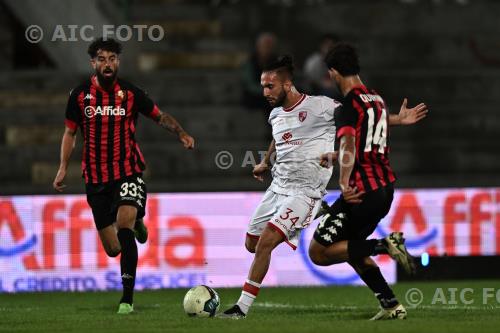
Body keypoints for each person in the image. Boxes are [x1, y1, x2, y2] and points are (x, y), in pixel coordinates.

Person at [52, 37, 195, 314]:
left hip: (128, 170)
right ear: (93, 63)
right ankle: (140, 222)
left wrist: (181, 133)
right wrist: (61, 167)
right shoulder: (79, 96)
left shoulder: (130, 93)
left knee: (125, 227)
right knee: (113, 249)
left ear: (118, 62)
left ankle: (127, 299)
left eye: (112, 59)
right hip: (95, 178)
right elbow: (70, 132)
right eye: (102, 59)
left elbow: (159, 116)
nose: (108, 64)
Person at [308, 42, 428, 320]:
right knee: (350, 247)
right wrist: (336, 154)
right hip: (384, 189)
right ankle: (391, 304)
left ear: (334, 72)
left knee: (319, 252)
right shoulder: (375, 99)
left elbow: (350, 142)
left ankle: (385, 245)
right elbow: (364, 143)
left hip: (361, 191)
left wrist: (344, 182)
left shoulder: (348, 105)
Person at [240, 32, 278, 110]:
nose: (268, 49)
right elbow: (250, 85)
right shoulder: (250, 62)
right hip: (254, 96)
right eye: (265, 46)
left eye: (270, 47)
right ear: (258, 47)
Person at [303, 33, 341, 99]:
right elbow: (309, 79)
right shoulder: (313, 61)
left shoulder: (340, 61)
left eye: (332, 45)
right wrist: (321, 83)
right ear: (321, 46)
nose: (328, 48)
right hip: (314, 91)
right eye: (326, 45)